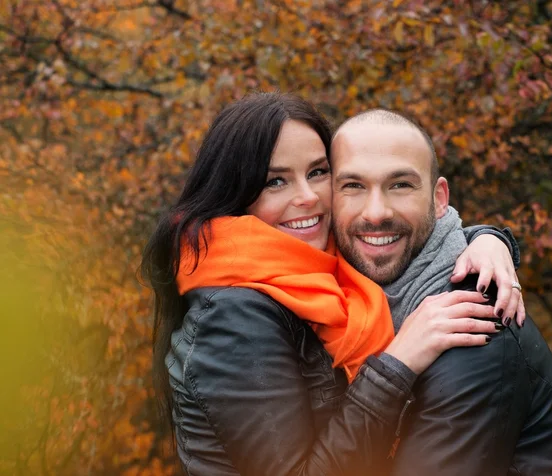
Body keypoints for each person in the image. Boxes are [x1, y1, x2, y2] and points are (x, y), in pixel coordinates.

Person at [141, 93, 521, 476]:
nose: (307, 198)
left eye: (318, 172)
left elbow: (395, 231)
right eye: (276, 181)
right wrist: (397, 365)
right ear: (237, 196)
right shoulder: (232, 315)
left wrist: (486, 240)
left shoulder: (315, 272)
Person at [330, 109, 552, 476]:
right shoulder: (338, 302)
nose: (376, 213)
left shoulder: (473, 326)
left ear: (439, 199)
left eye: (400, 184)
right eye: (353, 186)